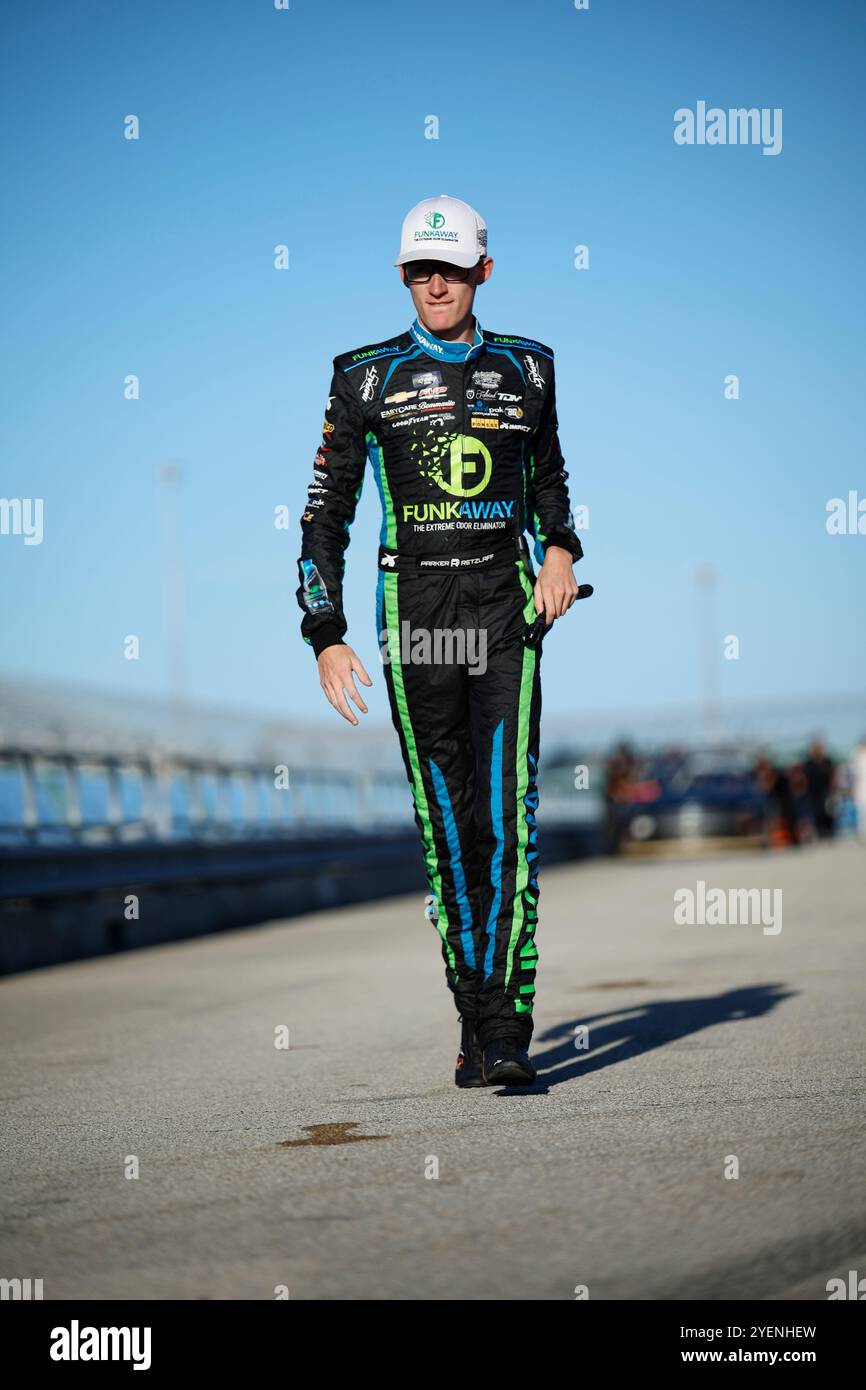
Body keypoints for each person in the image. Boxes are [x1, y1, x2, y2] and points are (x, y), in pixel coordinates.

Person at [296, 195, 584, 1087]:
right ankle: (476, 1020)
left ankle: (507, 1033)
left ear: (482, 273)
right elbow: (324, 516)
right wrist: (326, 632)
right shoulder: (364, 376)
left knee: (508, 821)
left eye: (452, 269)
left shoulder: (529, 370)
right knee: (449, 828)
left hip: (504, 611)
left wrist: (564, 551)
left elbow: (553, 488)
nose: (436, 285)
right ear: (402, 276)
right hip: (415, 614)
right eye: (421, 270)